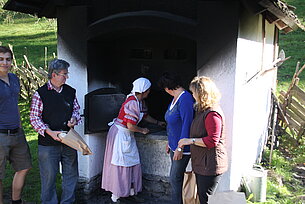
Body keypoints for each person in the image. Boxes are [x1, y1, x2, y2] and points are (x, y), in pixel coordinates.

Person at [101, 77, 166, 204]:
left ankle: (128, 192)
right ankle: (116, 196)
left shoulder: (139, 101)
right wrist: (142, 130)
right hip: (120, 135)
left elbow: (145, 116)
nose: (149, 92)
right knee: (121, 163)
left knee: (131, 161)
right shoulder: (132, 102)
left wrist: (158, 122)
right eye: (148, 90)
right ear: (144, 90)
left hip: (126, 135)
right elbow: (130, 125)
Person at [30, 59, 81, 204]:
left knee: (71, 175)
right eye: (64, 74)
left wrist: (74, 119)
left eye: (67, 74)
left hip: (69, 140)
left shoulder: (70, 91)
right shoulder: (40, 94)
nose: (66, 77)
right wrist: (49, 132)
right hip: (48, 144)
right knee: (49, 177)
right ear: (54, 74)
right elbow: (34, 118)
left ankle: (68, 202)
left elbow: (76, 110)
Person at [178, 76, 228, 204]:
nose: (193, 95)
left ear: (201, 94)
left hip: (210, 165)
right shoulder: (203, 110)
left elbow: (212, 141)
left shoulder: (212, 113)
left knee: (205, 199)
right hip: (203, 163)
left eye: (194, 93)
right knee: (202, 197)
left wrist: (190, 141)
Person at [0, 46, 32, 204]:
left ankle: (16, 201)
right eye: (1, 59)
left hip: (17, 132)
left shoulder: (14, 78)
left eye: (7, 59)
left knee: (24, 167)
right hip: (0, 135)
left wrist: (20, 126)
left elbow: (14, 104)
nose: (4, 62)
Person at [158, 72, 194, 204]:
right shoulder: (175, 98)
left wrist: (180, 147)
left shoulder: (185, 99)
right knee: (175, 178)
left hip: (182, 148)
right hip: (174, 145)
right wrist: (170, 141)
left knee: (175, 178)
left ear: (168, 88)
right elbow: (173, 124)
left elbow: (187, 124)